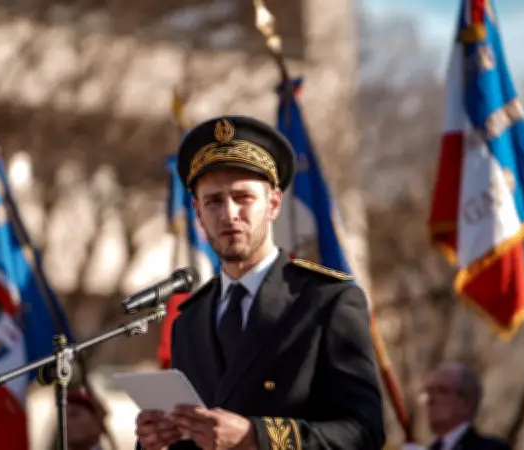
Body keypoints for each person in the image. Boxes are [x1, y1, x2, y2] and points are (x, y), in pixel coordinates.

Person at [135, 115, 385, 450]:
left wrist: (255, 437)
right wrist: (155, 441)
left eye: (243, 198)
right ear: (197, 212)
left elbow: (364, 431)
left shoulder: (326, 301)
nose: (229, 214)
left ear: (274, 203)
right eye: (213, 201)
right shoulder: (190, 320)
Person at [404, 363, 510, 450]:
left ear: (466, 403)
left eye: (442, 391)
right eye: (429, 392)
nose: (430, 399)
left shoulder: (492, 448)